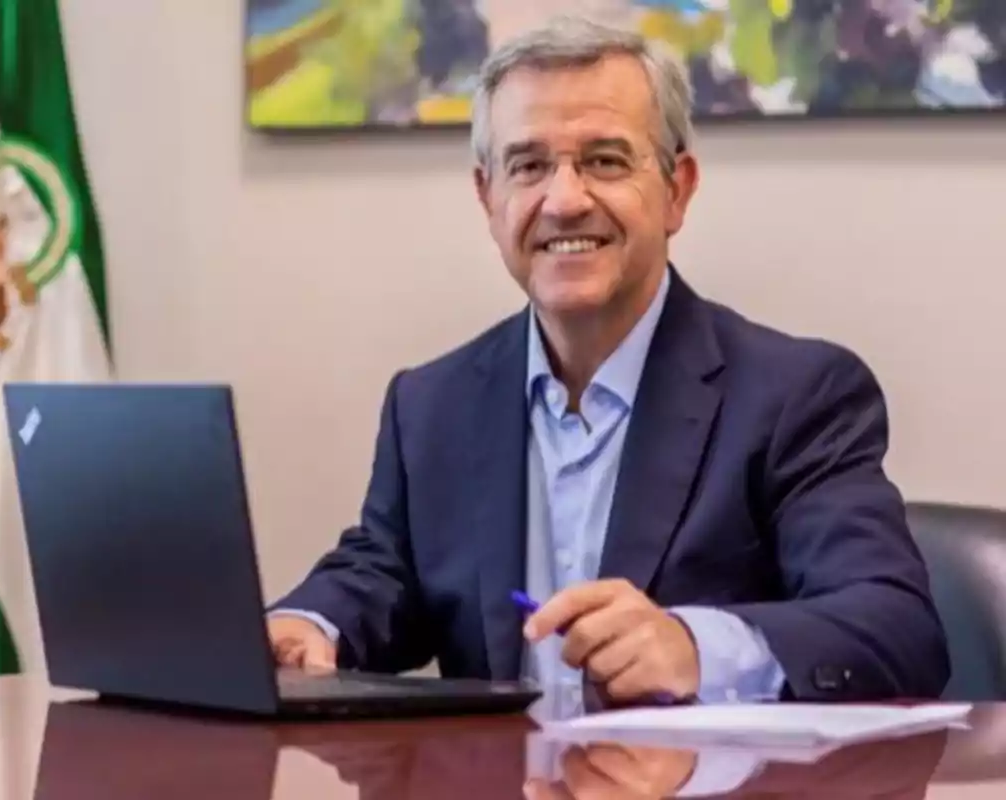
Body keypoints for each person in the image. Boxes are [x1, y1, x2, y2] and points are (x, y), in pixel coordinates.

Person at [266, 14, 951, 704]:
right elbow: (381, 575)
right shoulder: (429, 404)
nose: (564, 201)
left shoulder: (797, 395)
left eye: (605, 161)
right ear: (488, 197)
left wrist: (696, 647)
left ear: (676, 190)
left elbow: (895, 629)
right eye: (529, 166)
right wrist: (309, 622)